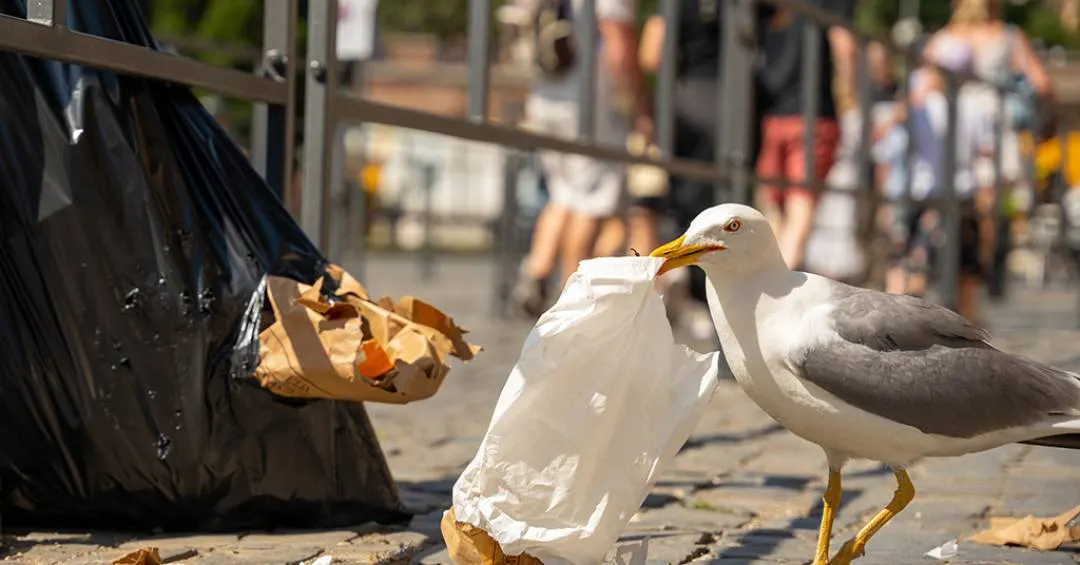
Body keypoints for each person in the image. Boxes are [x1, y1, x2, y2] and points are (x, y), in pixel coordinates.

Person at [511, 0, 652, 317]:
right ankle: (570, 295)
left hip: (545, 95)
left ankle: (536, 270)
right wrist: (639, 106)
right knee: (590, 202)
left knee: (563, 192)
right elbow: (619, 47)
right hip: (588, 103)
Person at [921, 0, 1054, 322]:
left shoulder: (944, 37)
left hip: (953, 129)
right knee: (986, 211)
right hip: (994, 130)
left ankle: (947, 271)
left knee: (953, 206)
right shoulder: (1007, 35)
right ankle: (978, 278)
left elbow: (923, 84)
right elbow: (1042, 84)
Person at [630, 0, 721, 339]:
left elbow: (651, 53)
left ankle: (673, 290)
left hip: (686, 100)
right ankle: (701, 298)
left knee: (671, 200)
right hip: (730, 101)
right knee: (714, 201)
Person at [753, 0, 855, 271]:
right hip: (813, 112)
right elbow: (844, 41)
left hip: (772, 112)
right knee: (802, 204)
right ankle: (778, 286)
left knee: (774, 208)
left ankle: (766, 279)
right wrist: (850, 95)